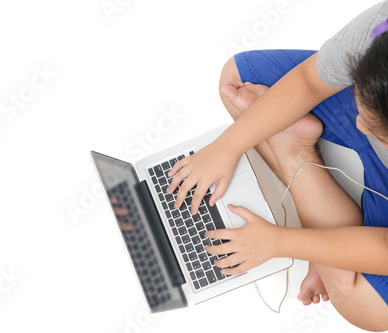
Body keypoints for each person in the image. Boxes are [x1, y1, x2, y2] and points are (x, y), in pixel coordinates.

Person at [166, 1, 388, 331]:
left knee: (370, 311)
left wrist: (280, 242)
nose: (358, 124)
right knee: (238, 80)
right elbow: (310, 82)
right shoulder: (378, 30)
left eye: (372, 124)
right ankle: (294, 143)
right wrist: (227, 146)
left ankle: (292, 148)